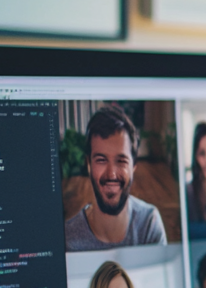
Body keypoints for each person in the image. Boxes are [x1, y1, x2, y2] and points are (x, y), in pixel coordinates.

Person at [64, 106, 168, 252]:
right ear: (88, 165)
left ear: (133, 167)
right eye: (101, 160)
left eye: (121, 161)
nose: (111, 174)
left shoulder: (149, 224)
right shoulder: (68, 239)